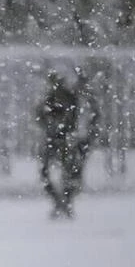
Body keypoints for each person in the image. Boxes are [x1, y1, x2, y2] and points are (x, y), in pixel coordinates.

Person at [36, 70, 90, 219]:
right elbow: (41, 117)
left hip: (63, 140)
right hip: (58, 139)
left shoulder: (66, 98)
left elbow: (42, 117)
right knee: (58, 173)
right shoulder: (55, 99)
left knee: (67, 173)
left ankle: (63, 202)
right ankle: (63, 202)